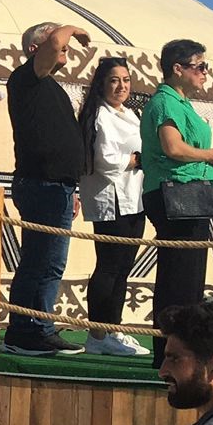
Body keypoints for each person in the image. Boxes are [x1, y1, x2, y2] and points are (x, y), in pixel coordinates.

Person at [2, 22, 92, 357]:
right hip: (41, 184)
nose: (64, 46)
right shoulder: (26, 78)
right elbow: (54, 42)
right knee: (39, 261)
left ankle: (39, 328)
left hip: (58, 188)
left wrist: (73, 188)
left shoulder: (52, 87)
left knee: (50, 263)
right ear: (34, 50)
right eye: (58, 41)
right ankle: (25, 332)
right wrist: (72, 28)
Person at [140, 40, 213, 370]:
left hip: (190, 195)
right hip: (176, 194)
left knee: (187, 278)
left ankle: (182, 351)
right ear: (177, 69)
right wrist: (210, 154)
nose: (206, 73)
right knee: (179, 278)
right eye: (200, 66)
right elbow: (173, 147)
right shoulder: (165, 102)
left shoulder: (182, 104)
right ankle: (171, 354)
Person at [77, 56, 149, 357]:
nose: (121, 86)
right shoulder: (99, 115)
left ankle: (113, 328)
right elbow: (104, 160)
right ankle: (97, 334)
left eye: (126, 80)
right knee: (108, 266)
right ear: (102, 84)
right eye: (114, 80)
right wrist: (136, 159)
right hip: (112, 199)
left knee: (123, 268)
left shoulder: (130, 114)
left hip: (134, 198)